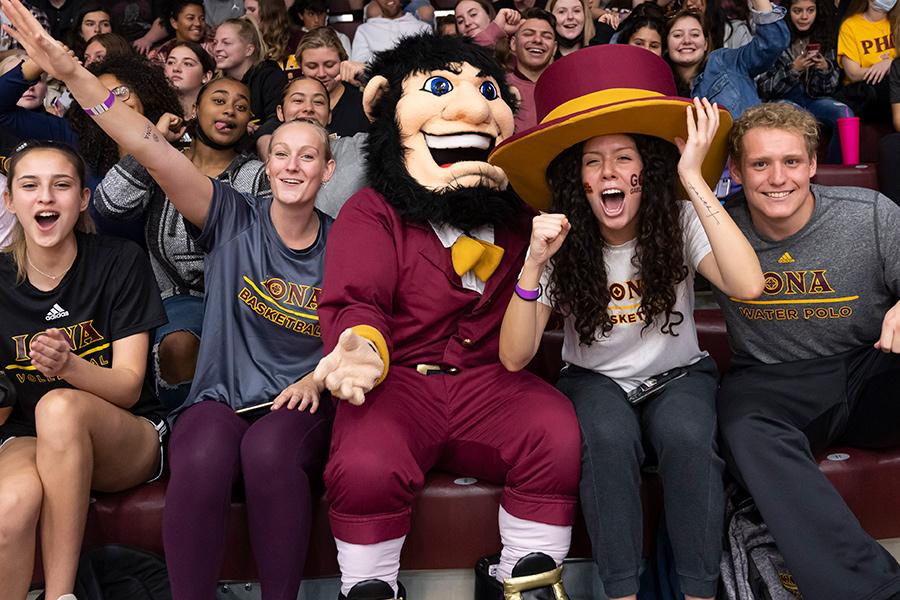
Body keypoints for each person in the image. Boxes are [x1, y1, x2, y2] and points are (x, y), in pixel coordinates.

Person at [1, 4, 338, 600]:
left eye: (307, 155)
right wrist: (72, 74)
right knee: (202, 453)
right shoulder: (231, 217)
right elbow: (148, 144)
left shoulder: (345, 240)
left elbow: (363, 325)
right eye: (281, 152)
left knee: (267, 454)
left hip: (298, 400)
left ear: (328, 169)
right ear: (265, 160)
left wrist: (325, 374)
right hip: (220, 395)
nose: (291, 165)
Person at [314, 33, 581, 600]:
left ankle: (527, 577)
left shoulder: (520, 218)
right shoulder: (373, 211)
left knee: (554, 428)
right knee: (364, 461)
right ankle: (368, 586)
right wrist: (360, 346)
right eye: (439, 88)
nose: (474, 108)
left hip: (491, 381)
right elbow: (357, 298)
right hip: (402, 383)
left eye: (487, 91)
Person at [492, 44, 762, 600]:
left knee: (688, 435)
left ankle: (698, 592)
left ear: (647, 170)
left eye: (624, 157)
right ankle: (621, 593)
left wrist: (693, 180)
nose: (609, 171)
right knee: (608, 440)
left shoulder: (679, 217)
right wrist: (533, 262)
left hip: (679, 375)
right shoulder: (561, 239)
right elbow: (514, 357)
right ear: (579, 180)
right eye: (593, 161)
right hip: (594, 382)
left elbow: (747, 285)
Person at [712, 101, 900, 600]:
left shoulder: (871, 216)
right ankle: (870, 589)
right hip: (771, 382)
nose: (778, 178)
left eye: (792, 162)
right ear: (735, 170)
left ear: (814, 165)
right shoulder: (716, 228)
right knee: (740, 424)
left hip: (868, 367)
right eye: (759, 164)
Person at [0, 138, 168, 600]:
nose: (46, 197)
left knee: (57, 407)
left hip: (123, 434)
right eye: (30, 186)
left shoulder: (119, 261)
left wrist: (69, 365)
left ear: (83, 199)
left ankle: (61, 597)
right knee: (9, 506)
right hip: (27, 435)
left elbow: (130, 387)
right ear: (10, 200)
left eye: (62, 185)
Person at [95, 76, 269, 411]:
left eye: (241, 106)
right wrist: (154, 142)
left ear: (249, 123)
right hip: (178, 298)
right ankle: (179, 430)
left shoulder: (257, 175)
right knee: (177, 345)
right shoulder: (165, 162)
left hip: (244, 299)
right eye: (219, 100)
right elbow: (109, 205)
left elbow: (267, 248)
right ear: (194, 109)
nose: (230, 110)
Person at [256, 76, 367, 217]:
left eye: (318, 102)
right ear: (280, 112)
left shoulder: (357, 148)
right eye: (298, 100)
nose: (308, 108)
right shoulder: (264, 161)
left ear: (329, 115)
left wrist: (369, 75)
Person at [757, 0, 850, 163]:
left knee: (845, 114)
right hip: (783, 100)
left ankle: (840, 171)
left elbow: (829, 89)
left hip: (815, 100)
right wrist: (794, 69)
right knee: (795, 116)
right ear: (788, 12)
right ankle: (800, 168)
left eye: (810, 10)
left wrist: (824, 69)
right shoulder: (777, 40)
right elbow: (764, 88)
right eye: (798, 11)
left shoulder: (825, 36)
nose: (804, 16)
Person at [666, 0, 789, 118]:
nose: (687, 41)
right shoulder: (661, 86)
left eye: (695, 34)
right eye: (677, 35)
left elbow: (772, 44)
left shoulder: (726, 62)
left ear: (705, 44)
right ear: (666, 44)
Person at [212, 17, 287, 143]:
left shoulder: (270, 76)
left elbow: (277, 120)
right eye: (215, 42)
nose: (217, 48)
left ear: (249, 50)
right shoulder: (216, 84)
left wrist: (257, 130)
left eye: (226, 43)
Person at [297, 27, 369, 137]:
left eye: (329, 65)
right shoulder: (292, 102)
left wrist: (370, 73)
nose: (321, 74)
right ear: (300, 66)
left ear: (343, 61)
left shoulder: (363, 102)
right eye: (312, 66)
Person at [835, 0, 898, 121]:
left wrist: (891, 64)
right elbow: (853, 73)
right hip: (865, 89)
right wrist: (881, 68)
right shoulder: (850, 25)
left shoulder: (896, 21)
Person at [507, 8, 557, 132]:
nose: (538, 40)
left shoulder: (566, 88)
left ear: (554, 48)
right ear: (513, 44)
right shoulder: (499, 86)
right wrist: (497, 29)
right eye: (528, 34)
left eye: (546, 36)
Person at [349, 0, 432, 64]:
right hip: (377, 81)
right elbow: (359, 64)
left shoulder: (423, 27)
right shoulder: (364, 30)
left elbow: (427, 60)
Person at [164, 40, 215, 116]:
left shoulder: (214, 114)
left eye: (187, 64)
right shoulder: (150, 111)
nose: (176, 68)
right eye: (171, 62)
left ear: (206, 76)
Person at [147, 0, 207, 64]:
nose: (198, 23)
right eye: (190, 18)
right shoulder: (160, 55)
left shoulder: (213, 49)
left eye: (202, 19)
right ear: (174, 23)